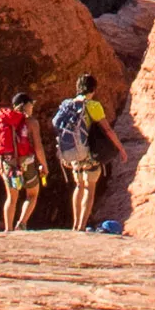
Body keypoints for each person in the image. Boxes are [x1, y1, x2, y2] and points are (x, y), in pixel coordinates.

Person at [50, 74, 111, 229]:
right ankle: (81, 225)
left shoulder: (68, 105)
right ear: (93, 89)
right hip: (89, 152)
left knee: (78, 186)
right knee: (90, 188)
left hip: (73, 152)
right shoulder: (93, 105)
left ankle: (75, 223)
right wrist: (121, 149)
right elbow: (107, 129)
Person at [0, 89, 46, 231]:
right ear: (25, 105)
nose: (32, 107)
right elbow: (38, 147)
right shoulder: (31, 122)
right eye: (31, 104)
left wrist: (1, 166)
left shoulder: (3, 120)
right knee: (32, 194)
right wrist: (44, 165)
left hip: (7, 162)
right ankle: (21, 224)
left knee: (11, 198)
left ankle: (8, 229)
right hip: (27, 162)